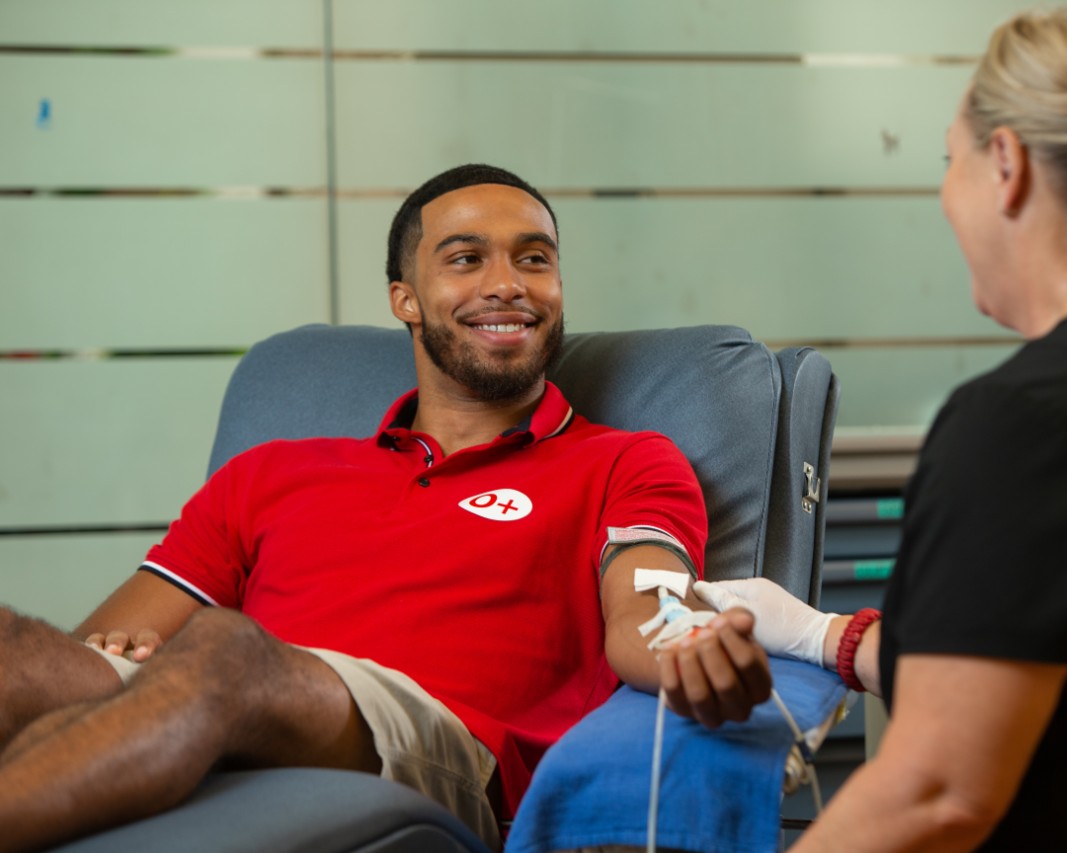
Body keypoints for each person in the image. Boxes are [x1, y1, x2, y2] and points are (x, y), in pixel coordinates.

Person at [0, 164, 771, 852]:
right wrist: (117, 664)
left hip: (435, 747)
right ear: (405, 297)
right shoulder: (268, 473)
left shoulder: (625, 460)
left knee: (224, 650)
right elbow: (105, 648)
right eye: (466, 258)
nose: (508, 282)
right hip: (234, 703)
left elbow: (650, 605)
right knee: (17, 648)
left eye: (534, 258)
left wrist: (691, 641)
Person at [698, 2, 1067, 849]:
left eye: (949, 161)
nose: (944, 195)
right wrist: (825, 634)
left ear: (1005, 164)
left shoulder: (1034, 416)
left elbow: (935, 793)